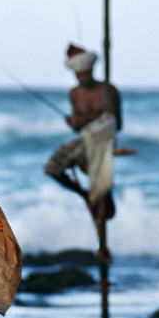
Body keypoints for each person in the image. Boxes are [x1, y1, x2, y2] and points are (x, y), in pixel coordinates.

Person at [44, 43, 120, 218]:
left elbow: (116, 122)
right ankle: (84, 193)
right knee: (52, 168)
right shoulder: (74, 94)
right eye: (79, 74)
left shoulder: (108, 90)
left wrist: (88, 121)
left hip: (104, 140)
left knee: (80, 158)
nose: (81, 77)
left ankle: (101, 196)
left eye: (84, 73)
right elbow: (78, 127)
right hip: (84, 140)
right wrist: (73, 122)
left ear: (91, 70)